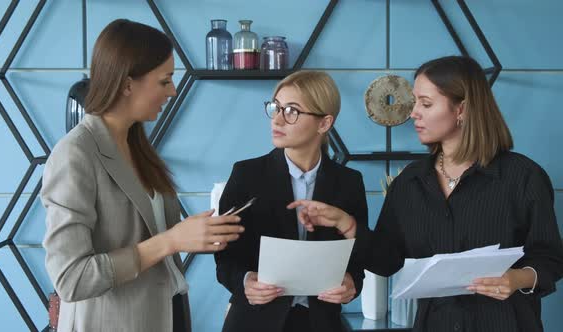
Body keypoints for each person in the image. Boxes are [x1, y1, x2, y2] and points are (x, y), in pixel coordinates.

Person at [288, 56, 563, 332]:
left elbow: (550, 258)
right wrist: (345, 223)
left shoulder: (523, 177)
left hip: (508, 324)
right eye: (415, 101)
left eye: (426, 103)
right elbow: (387, 261)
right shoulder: (409, 183)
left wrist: (517, 278)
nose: (413, 112)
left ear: (462, 109)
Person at [41, 19, 243, 332]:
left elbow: (153, 233)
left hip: (168, 313)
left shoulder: (137, 145)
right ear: (127, 83)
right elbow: (72, 279)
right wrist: (171, 241)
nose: (173, 91)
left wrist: (196, 233)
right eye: (165, 81)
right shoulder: (75, 154)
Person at [214, 71, 367, 332]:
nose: (278, 119)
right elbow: (225, 259)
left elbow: (357, 258)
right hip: (254, 321)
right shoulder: (246, 174)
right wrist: (245, 281)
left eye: (292, 111)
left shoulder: (349, 182)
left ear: (324, 123)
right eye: (276, 107)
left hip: (322, 323)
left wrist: (352, 284)